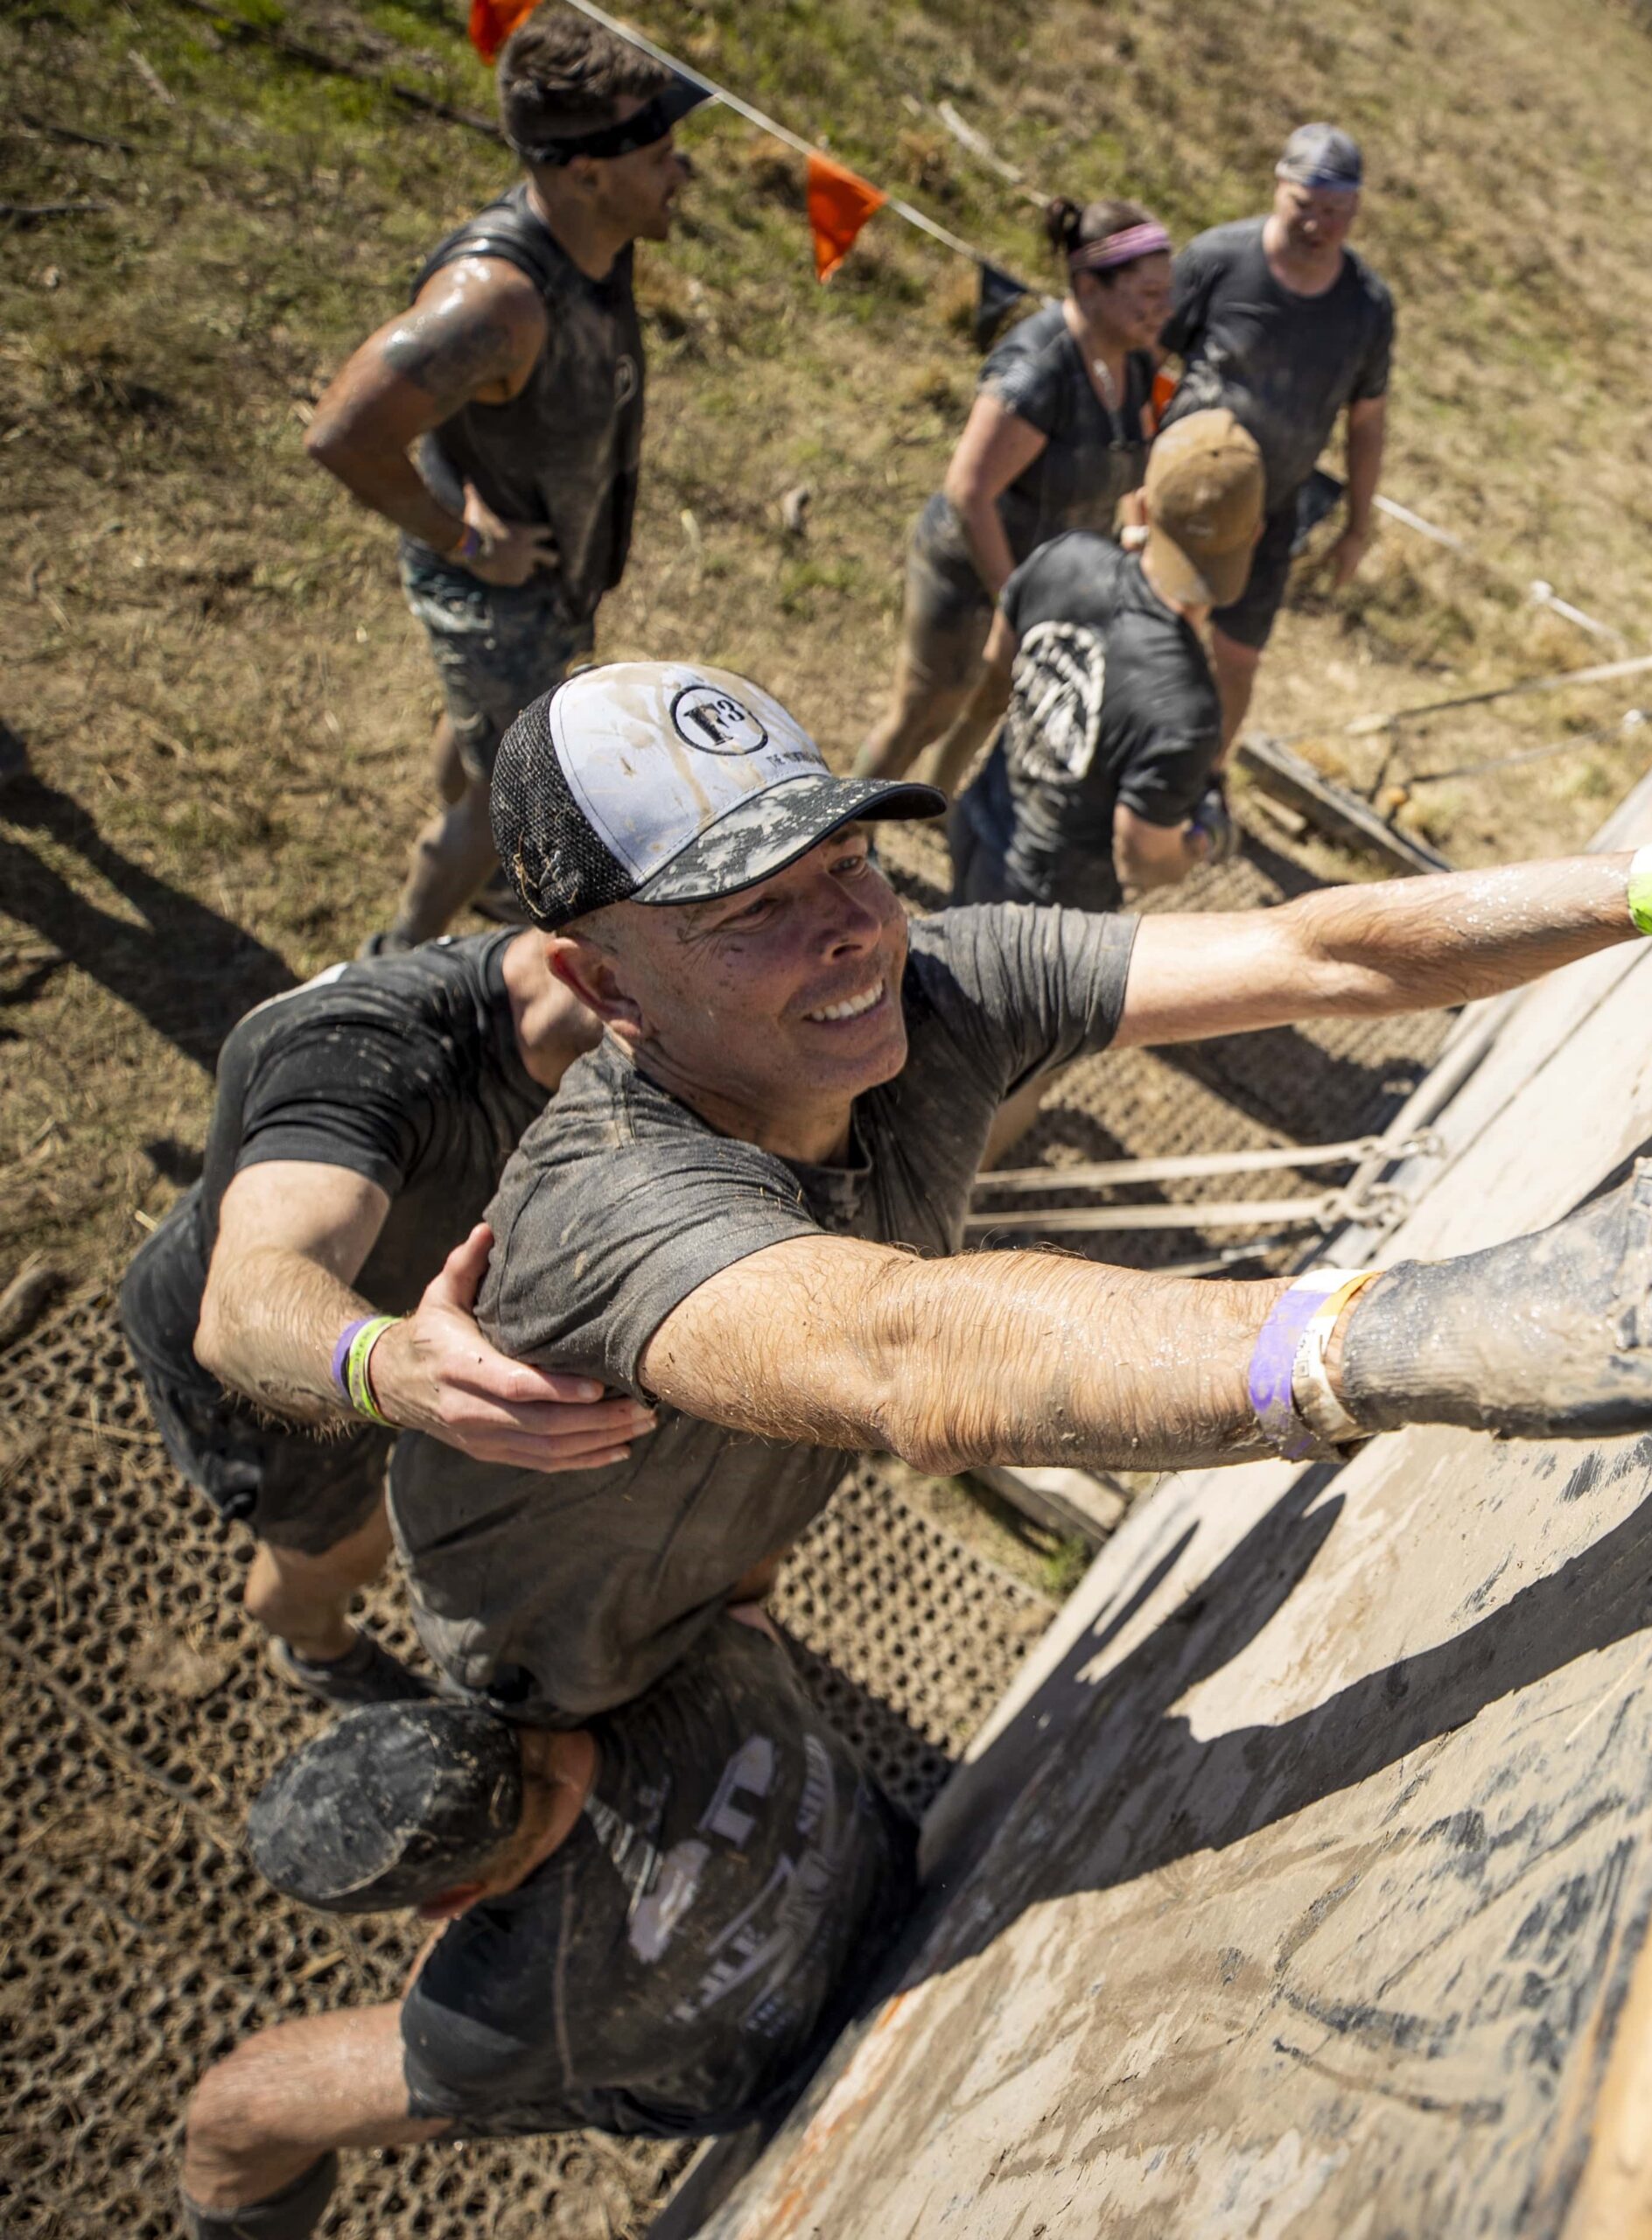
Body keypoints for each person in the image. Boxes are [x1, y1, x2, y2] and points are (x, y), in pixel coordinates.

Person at [376, 662, 1652, 1732]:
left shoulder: (940, 983)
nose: (849, 928)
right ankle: (345, 1645)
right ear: (603, 989)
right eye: (749, 906)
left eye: (849, 860)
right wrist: (1428, 1326)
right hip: (539, 1613)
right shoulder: (604, 1200)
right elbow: (901, 1351)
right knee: (570, 1805)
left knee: (730, 1622)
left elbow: (1310, 947)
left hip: (726, 1536)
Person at [175, 1602, 911, 2240]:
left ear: (450, 1902)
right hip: (886, 1876)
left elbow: (253, 2107)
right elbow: (748, 1586)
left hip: (762, 2077)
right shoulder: (691, 1647)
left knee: (235, 2111)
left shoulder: (495, 2008)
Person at [117, 929, 649, 1704]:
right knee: (343, 1552)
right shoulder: (366, 1048)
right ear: (600, 974)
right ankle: (312, 1644)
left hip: (402, 1333)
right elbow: (243, 1307)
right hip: (273, 1377)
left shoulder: (608, 1028)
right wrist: (392, 1372)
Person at [304, 7, 704, 948]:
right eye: (662, 156)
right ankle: (395, 965)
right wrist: (467, 540)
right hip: (498, 590)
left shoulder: (600, 238)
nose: (684, 170)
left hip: (549, 581)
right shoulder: (495, 300)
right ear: (586, 170)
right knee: (502, 800)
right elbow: (342, 433)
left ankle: (477, 873)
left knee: (492, 742)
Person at [853, 198, 1173, 786]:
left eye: (1165, 292)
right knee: (923, 714)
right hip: (975, 576)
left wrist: (1135, 526)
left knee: (993, 702)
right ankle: (846, 840)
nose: (1163, 308)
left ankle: (940, 803)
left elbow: (1132, 454)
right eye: (1147, 294)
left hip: (1041, 584)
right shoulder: (1039, 371)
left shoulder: (1129, 362)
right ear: (1089, 286)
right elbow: (968, 490)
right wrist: (1012, 600)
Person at [948, 410, 1260, 912]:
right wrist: (1202, 842)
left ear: (1144, 501)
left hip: (984, 821)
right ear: (1254, 534)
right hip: (1047, 915)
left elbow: (998, 664)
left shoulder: (1065, 558)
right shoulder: (1188, 714)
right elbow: (1142, 860)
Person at [1159, 122, 1394, 747]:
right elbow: (1140, 360)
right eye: (1304, 207)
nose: (1316, 225)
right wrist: (1136, 480)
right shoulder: (1217, 259)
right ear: (1278, 190)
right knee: (1161, 629)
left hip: (1273, 509)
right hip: (1186, 490)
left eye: (1334, 212)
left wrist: (1357, 526)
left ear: (1355, 209)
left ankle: (1207, 774)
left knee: (1238, 658)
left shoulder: (1366, 307)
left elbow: (1366, 420)